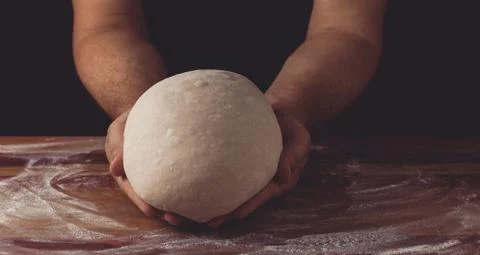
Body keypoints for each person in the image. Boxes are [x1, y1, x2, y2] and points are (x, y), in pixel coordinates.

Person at [72, 0, 386, 227]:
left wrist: (291, 109)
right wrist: (137, 111)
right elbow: (107, 24)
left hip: (318, 110)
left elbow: (346, 28)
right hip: (154, 86)